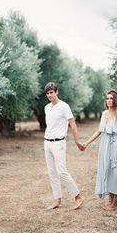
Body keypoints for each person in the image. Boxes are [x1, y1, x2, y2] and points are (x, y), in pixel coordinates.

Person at [82, 89, 117, 211]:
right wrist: (86, 143)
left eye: (111, 98)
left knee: (116, 172)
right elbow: (99, 131)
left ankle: (115, 202)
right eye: (107, 98)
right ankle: (111, 199)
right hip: (104, 145)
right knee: (107, 171)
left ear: (115, 100)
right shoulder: (104, 114)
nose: (109, 100)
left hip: (114, 145)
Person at [43, 82, 84, 210]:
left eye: (52, 92)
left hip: (59, 143)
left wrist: (77, 142)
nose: (50, 95)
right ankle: (57, 199)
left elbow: (72, 124)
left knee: (61, 171)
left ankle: (78, 197)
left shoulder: (64, 106)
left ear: (57, 92)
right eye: (48, 93)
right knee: (51, 172)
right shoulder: (46, 108)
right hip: (47, 142)